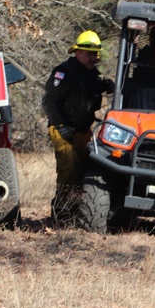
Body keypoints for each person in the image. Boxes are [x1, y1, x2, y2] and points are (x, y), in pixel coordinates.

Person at [42, 30, 115, 224]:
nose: (93, 57)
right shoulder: (64, 72)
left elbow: (90, 89)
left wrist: (106, 84)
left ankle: (77, 211)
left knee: (85, 170)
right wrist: (60, 125)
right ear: (78, 52)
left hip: (82, 131)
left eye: (95, 53)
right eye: (89, 53)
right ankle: (61, 215)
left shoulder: (91, 74)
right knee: (69, 170)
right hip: (62, 129)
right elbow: (49, 101)